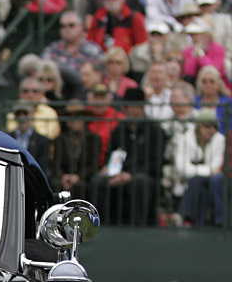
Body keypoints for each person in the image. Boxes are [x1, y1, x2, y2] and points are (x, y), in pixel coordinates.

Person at [88, 87, 166, 224]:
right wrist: (108, 169)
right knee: (98, 181)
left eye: (136, 107)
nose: (132, 111)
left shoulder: (154, 130)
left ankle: (138, 227)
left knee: (139, 182)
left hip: (142, 174)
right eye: (128, 107)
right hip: (118, 172)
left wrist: (130, 174)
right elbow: (111, 155)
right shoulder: (120, 129)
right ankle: (99, 226)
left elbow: (156, 162)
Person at [171, 108, 226, 225]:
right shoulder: (185, 139)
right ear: (198, 128)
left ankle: (183, 217)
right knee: (197, 182)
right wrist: (208, 171)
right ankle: (197, 222)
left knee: (198, 180)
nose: (210, 130)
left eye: (214, 127)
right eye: (206, 126)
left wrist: (196, 170)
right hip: (189, 182)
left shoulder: (220, 140)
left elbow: (217, 165)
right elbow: (182, 168)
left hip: (211, 182)